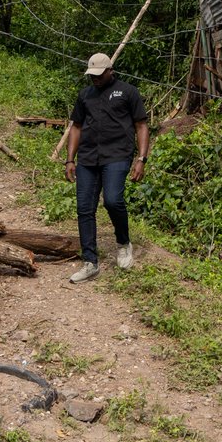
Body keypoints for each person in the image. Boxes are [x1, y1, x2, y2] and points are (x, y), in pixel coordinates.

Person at [64, 52, 150, 283]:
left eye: (99, 75)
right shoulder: (85, 95)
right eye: (92, 75)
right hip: (88, 158)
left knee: (112, 200)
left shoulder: (128, 92)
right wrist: (70, 159)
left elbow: (141, 126)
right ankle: (90, 262)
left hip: (117, 156)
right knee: (84, 208)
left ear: (110, 71)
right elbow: (76, 127)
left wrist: (141, 159)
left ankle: (123, 243)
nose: (95, 79)